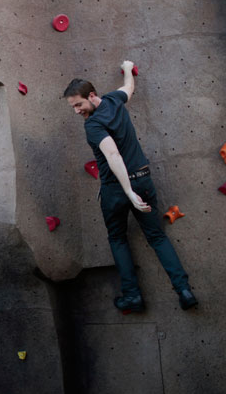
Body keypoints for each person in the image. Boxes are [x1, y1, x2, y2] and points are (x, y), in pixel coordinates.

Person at [63, 61, 197, 312]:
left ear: (91, 96)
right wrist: (126, 68)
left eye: (78, 105)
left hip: (116, 190)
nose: (76, 111)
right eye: (73, 107)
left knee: (117, 238)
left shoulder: (92, 126)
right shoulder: (114, 100)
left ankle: (133, 296)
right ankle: (184, 291)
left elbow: (113, 156)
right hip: (143, 178)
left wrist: (127, 192)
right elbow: (129, 87)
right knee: (156, 236)